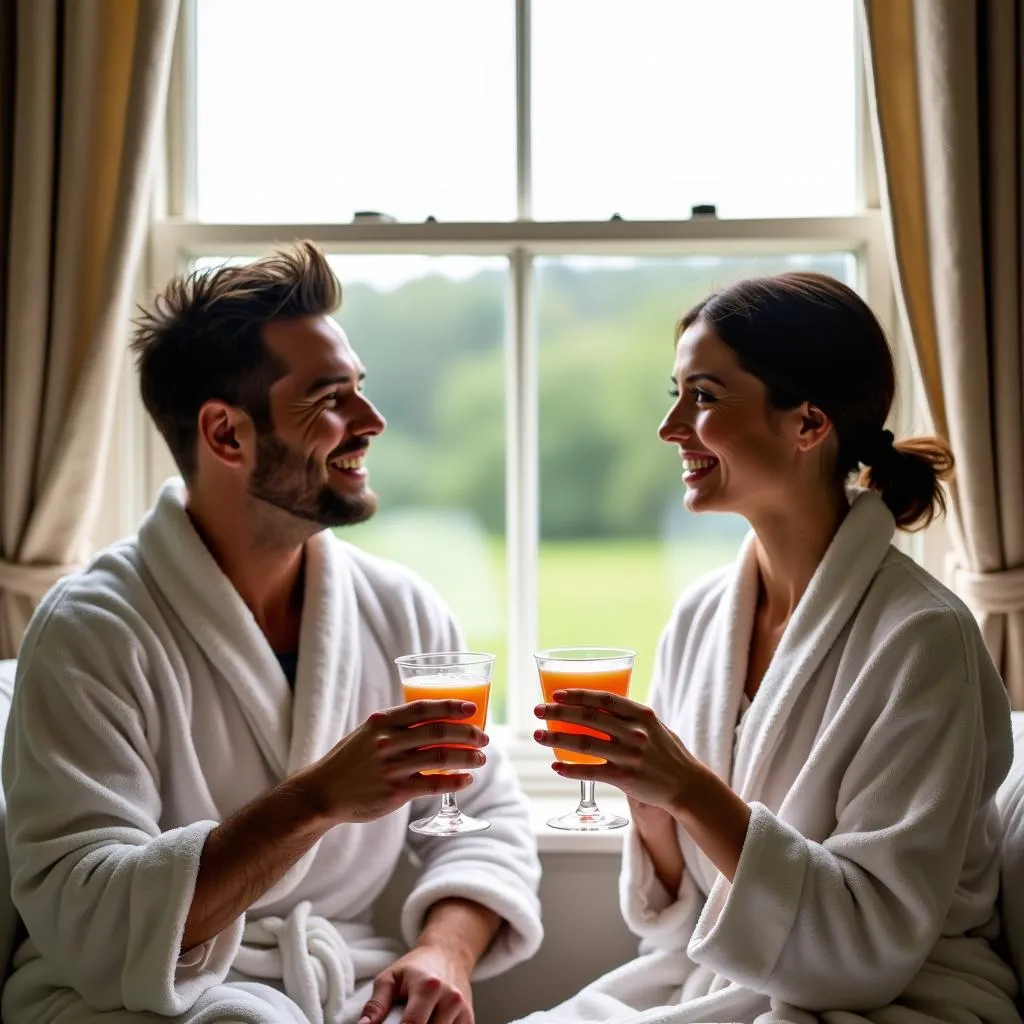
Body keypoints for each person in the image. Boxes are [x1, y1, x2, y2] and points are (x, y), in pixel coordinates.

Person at [1, 242, 542, 1024]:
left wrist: (445, 951)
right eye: (330, 399)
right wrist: (317, 799)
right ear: (226, 435)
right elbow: (88, 919)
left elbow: (482, 816)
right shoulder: (95, 628)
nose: (371, 421)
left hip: (341, 987)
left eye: (361, 388)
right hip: (133, 1003)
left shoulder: (402, 611)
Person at [524, 272, 1020, 1024]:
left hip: (898, 1001)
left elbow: (868, 950)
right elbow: (687, 915)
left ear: (808, 424)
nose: (670, 428)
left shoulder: (923, 640)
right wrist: (646, 797)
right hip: (718, 986)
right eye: (676, 393)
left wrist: (688, 786)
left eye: (704, 397)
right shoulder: (700, 619)